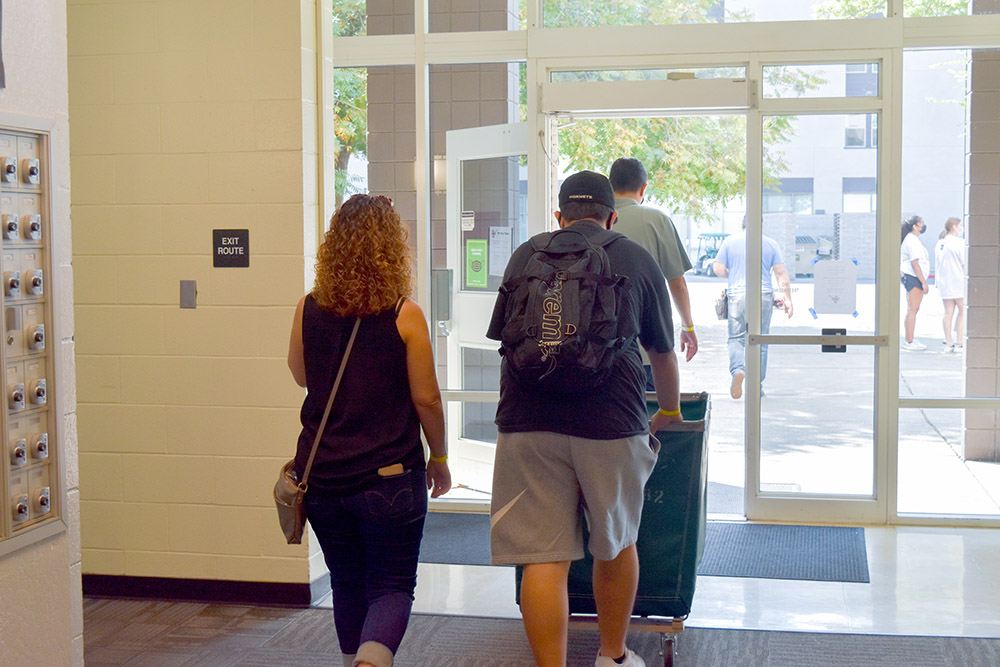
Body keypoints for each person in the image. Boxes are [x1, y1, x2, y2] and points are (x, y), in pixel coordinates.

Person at [487, 171, 682, 667]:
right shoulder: (634, 258)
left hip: (527, 419)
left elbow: (506, 341)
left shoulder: (525, 255)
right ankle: (612, 656)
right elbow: (662, 352)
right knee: (615, 544)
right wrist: (669, 409)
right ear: (612, 216)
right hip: (611, 421)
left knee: (543, 556)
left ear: (559, 217)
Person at [287, 194, 451, 667]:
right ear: (393, 248)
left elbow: (301, 375)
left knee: (346, 581)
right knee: (391, 585)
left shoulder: (307, 308)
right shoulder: (405, 314)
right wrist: (438, 458)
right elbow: (427, 399)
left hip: (323, 479)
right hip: (389, 477)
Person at [609, 157, 698, 387]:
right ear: (643, 188)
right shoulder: (657, 220)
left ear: (610, 186)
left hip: (599, 350)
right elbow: (677, 283)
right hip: (647, 348)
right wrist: (687, 326)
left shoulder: (597, 221)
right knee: (649, 416)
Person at [713, 219, 793, 399]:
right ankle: (756, 385)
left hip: (737, 295)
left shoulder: (730, 242)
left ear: (742, 225)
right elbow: (780, 272)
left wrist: (732, 275)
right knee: (761, 340)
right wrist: (788, 299)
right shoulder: (770, 243)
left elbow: (718, 268)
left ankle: (738, 370)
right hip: (763, 295)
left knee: (736, 338)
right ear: (760, 225)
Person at [934, 217, 966, 353]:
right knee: (963, 311)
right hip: (958, 281)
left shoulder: (940, 243)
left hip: (944, 283)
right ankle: (959, 343)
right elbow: (965, 263)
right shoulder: (960, 243)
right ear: (954, 226)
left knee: (948, 312)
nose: (961, 228)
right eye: (960, 226)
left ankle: (949, 343)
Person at [900, 215, 930, 351]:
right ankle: (909, 341)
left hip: (913, 277)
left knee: (913, 309)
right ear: (915, 226)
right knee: (912, 309)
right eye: (922, 224)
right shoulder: (912, 240)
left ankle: (910, 339)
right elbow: (915, 263)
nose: (924, 226)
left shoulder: (912, 239)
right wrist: (923, 282)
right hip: (913, 277)